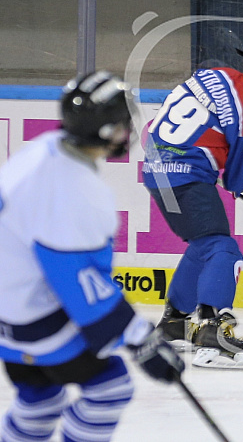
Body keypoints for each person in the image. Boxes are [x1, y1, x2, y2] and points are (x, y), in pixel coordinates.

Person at [0, 71, 185, 442]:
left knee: (39, 399)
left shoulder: (46, 148)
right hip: (30, 319)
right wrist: (140, 338)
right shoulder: (74, 190)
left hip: (8, 312)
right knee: (110, 388)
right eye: (121, 124)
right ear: (108, 131)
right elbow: (77, 283)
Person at [143, 27, 243, 369]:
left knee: (204, 244)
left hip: (155, 168)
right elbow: (237, 179)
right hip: (185, 173)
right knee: (223, 248)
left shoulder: (214, 75)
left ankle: (175, 321)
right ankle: (212, 327)